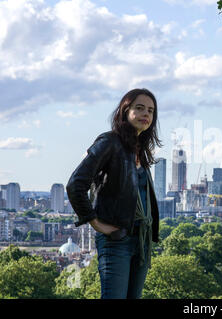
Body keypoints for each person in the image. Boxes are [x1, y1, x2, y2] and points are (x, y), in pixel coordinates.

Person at [66, 88, 162, 299]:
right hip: (117, 240)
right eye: (139, 108)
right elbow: (75, 184)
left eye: (151, 110)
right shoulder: (110, 142)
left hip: (142, 241)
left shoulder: (139, 150)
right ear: (125, 111)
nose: (146, 114)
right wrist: (96, 223)